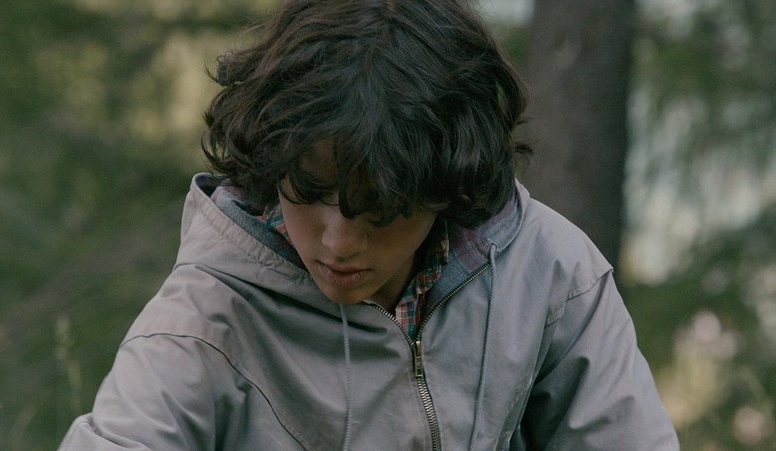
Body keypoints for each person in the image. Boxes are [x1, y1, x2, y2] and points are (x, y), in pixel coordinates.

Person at [59, 0, 679, 449]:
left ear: (445, 186)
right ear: (272, 161)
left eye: (379, 209)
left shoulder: (551, 275)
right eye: (310, 193)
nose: (338, 241)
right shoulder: (203, 318)